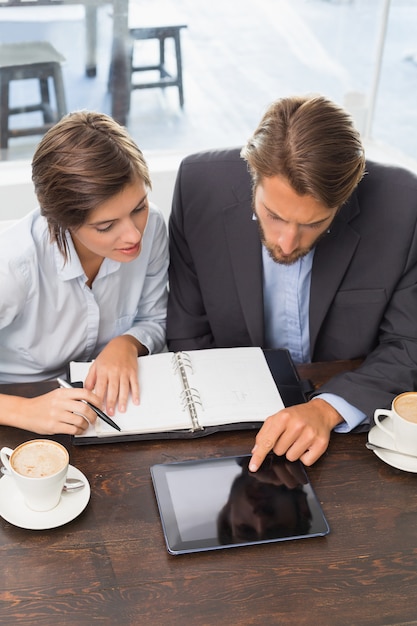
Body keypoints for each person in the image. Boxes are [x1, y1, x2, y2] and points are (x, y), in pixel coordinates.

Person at [166, 94, 417, 469]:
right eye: (274, 215)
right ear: (253, 175)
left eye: (314, 224)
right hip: (232, 423)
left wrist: (327, 408)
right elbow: (188, 332)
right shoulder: (197, 186)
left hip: (353, 428)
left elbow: (408, 344)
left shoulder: (402, 203)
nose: (286, 243)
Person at [0, 111, 168, 435]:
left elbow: (156, 319)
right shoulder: (12, 265)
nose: (134, 235)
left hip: (98, 406)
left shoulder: (154, 227)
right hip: (17, 407)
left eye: (139, 207)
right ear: (61, 220)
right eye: (106, 226)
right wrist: (23, 410)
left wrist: (128, 343)